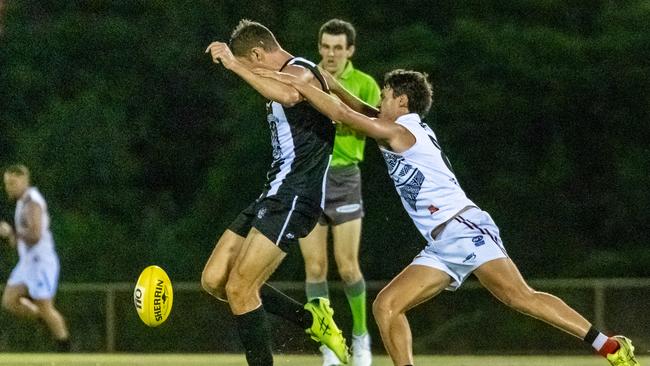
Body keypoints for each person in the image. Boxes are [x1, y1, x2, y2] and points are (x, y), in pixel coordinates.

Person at [254, 68, 640, 366]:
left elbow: (345, 114)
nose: (380, 100)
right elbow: (357, 108)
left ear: (402, 101)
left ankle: (609, 345)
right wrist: (331, 81)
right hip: (440, 243)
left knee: (520, 297)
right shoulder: (399, 125)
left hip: (462, 226)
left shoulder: (403, 131)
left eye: (386, 95)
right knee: (386, 306)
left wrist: (303, 84)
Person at [201, 19, 349, 365]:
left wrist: (235, 65)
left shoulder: (299, 71)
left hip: (297, 195)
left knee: (239, 289)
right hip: (275, 191)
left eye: (250, 63)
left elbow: (290, 94)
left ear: (256, 53)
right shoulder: (286, 73)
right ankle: (312, 320)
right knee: (215, 280)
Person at [300, 18, 380, 366]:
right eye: (326, 46)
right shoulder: (304, 77)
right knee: (315, 267)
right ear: (319, 47)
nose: (331, 54)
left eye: (338, 47)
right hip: (310, 177)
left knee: (348, 267)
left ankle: (361, 337)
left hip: (346, 179)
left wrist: (338, 109)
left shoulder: (364, 84)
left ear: (350, 51)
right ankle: (330, 344)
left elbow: (374, 126)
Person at [0, 164, 71, 352]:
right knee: (9, 301)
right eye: (7, 183)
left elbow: (36, 235)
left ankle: (65, 349)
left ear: (24, 180)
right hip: (28, 263)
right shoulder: (21, 202)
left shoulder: (32, 202)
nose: (9, 187)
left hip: (42, 263)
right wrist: (11, 238)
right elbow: (21, 240)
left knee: (46, 307)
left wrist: (11, 232)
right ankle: (42, 317)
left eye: (13, 183)